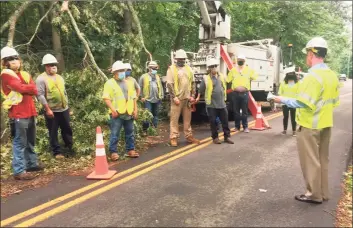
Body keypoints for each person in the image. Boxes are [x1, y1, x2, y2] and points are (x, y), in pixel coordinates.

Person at [273, 37, 340, 204]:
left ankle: (313, 194)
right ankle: (323, 193)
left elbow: (303, 102)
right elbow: (334, 102)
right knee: (322, 160)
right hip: (326, 124)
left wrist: (280, 99)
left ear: (311, 53)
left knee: (310, 162)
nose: (306, 57)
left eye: (307, 54)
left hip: (310, 126)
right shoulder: (332, 75)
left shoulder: (312, 77)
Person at [1, 46, 43, 180]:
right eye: (10, 59)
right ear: (4, 62)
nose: (14, 61)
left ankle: (31, 163)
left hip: (30, 111)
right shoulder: (6, 75)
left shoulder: (24, 74)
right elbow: (18, 87)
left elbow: (34, 89)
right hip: (18, 113)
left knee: (31, 140)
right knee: (20, 142)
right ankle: (19, 170)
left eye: (15, 58)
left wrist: (27, 88)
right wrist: (28, 88)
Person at [36, 54, 74, 159]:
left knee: (67, 128)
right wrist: (47, 109)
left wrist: (68, 106)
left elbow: (64, 93)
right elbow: (40, 95)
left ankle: (69, 147)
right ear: (46, 66)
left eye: (54, 65)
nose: (53, 67)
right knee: (53, 131)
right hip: (52, 110)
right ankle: (57, 152)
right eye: (51, 65)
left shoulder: (59, 77)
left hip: (64, 109)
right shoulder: (41, 79)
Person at [102, 60, 139, 161]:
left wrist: (135, 110)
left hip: (129, 112)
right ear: (114, 72)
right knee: (115, 134)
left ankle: (130, 150)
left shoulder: (129, 83)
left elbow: (133, 97)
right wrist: (113, 110)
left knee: (130, 132)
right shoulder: (109, 83)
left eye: (123, 70)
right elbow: (106, 98)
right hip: (117, 114)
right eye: (120, 70)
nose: (122, 72)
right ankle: (113, 152)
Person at [166, 49, 200, 147]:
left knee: (187, 119)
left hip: (187, 99)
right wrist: (174, 97)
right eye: (179, 59)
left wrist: (193, 96)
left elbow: (193, 83)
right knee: (174, 119)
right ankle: (173, 137)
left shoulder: (189, 69)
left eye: (183, 59)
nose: (181, 60)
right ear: (176, 59)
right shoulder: (171, 69)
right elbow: (169, 84)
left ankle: (188, 136)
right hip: (177, 99)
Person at [199, 58, 234, 144]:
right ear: (209, 68)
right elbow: (201, 89)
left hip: (222, 103)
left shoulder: (221, 76)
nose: (214, 68)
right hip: (211, 104)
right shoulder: (206, 78)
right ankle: (215, 138)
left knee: (225, 121)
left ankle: (227, 137)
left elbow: (226, 85)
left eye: (215, 66)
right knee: (213, 122)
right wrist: (197, 97)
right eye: (212, 66)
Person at [226, 54, 258, 133]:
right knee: (236, 111)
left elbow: (255, 76)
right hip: (235, 93)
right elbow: (227, 80)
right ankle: (237, 127)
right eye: (239, 60)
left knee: (244, 111)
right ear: (237, 61)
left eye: (242, 60)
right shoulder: (233, 70)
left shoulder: (248, 70)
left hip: (244, 93)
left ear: (244, 61)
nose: (240, 61)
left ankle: (245, 127)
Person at [139, 61, 164, 133]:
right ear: (149, 68)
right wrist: (141, 97)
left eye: (156, 68)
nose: (155, 70)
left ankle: (154, 129)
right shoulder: (143, 77)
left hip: (157, 99)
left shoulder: (157, 77)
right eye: (153, 68)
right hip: (147, 99)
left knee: (155, 115)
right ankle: (145, 130)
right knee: (147, 115)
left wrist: (161, 96)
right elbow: (139, 87)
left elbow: (161, 87)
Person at [278, 68, 299, 136]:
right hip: (285, 102)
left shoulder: (297, 83)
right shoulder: (283, 83)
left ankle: (294, 131)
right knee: (285, 116)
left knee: (293, 117)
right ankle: (285, 130)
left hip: (294, 103)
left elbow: (299, 92)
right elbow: (280, 93)